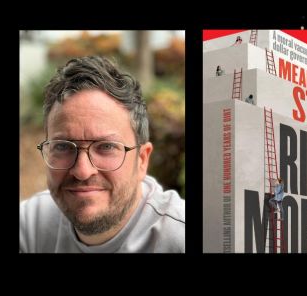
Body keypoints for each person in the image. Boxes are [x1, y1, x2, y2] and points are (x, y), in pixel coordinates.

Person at [20, 56, 185, 253]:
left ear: (142, 160)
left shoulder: (183, 239)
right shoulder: (31, 225)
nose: (82, 171)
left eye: (106, 147)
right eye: (63, 146)